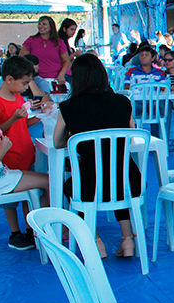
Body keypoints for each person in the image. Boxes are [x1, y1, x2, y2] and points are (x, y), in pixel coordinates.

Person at [54, 53, 143, 258]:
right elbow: (130, 137)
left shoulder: (68, 107)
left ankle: (96, 242)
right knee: (116, 178)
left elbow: (57, 142)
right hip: (128, 181)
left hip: (89, 185)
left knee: (73, 185)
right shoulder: (122, 102)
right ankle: (127, 239)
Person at [0, 92, 50, 251]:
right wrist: (3, 150)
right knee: (48, 182)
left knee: (46, 179)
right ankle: (46, 229)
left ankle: (40, 229)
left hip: (0, 178)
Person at [0, 57, 44, 248]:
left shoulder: (18, 98)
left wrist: (41, 116)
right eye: (24, 83)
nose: (26, 87)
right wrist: (13, 118)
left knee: (29, 194)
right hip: (8, 158)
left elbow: (23, 124)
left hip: (25, 153)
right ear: (9, 79)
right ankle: (15, 233)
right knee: (9, 199)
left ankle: (30, 230)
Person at [21, 16, 71, 90]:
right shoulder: (31, 40)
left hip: (55, 79)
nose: (41, 26)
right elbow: (21, 59)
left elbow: (66, 61)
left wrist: (61, 75)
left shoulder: (59, 42)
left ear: (51, 27)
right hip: (36, 80)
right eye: (39, 24)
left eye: (44, 24)